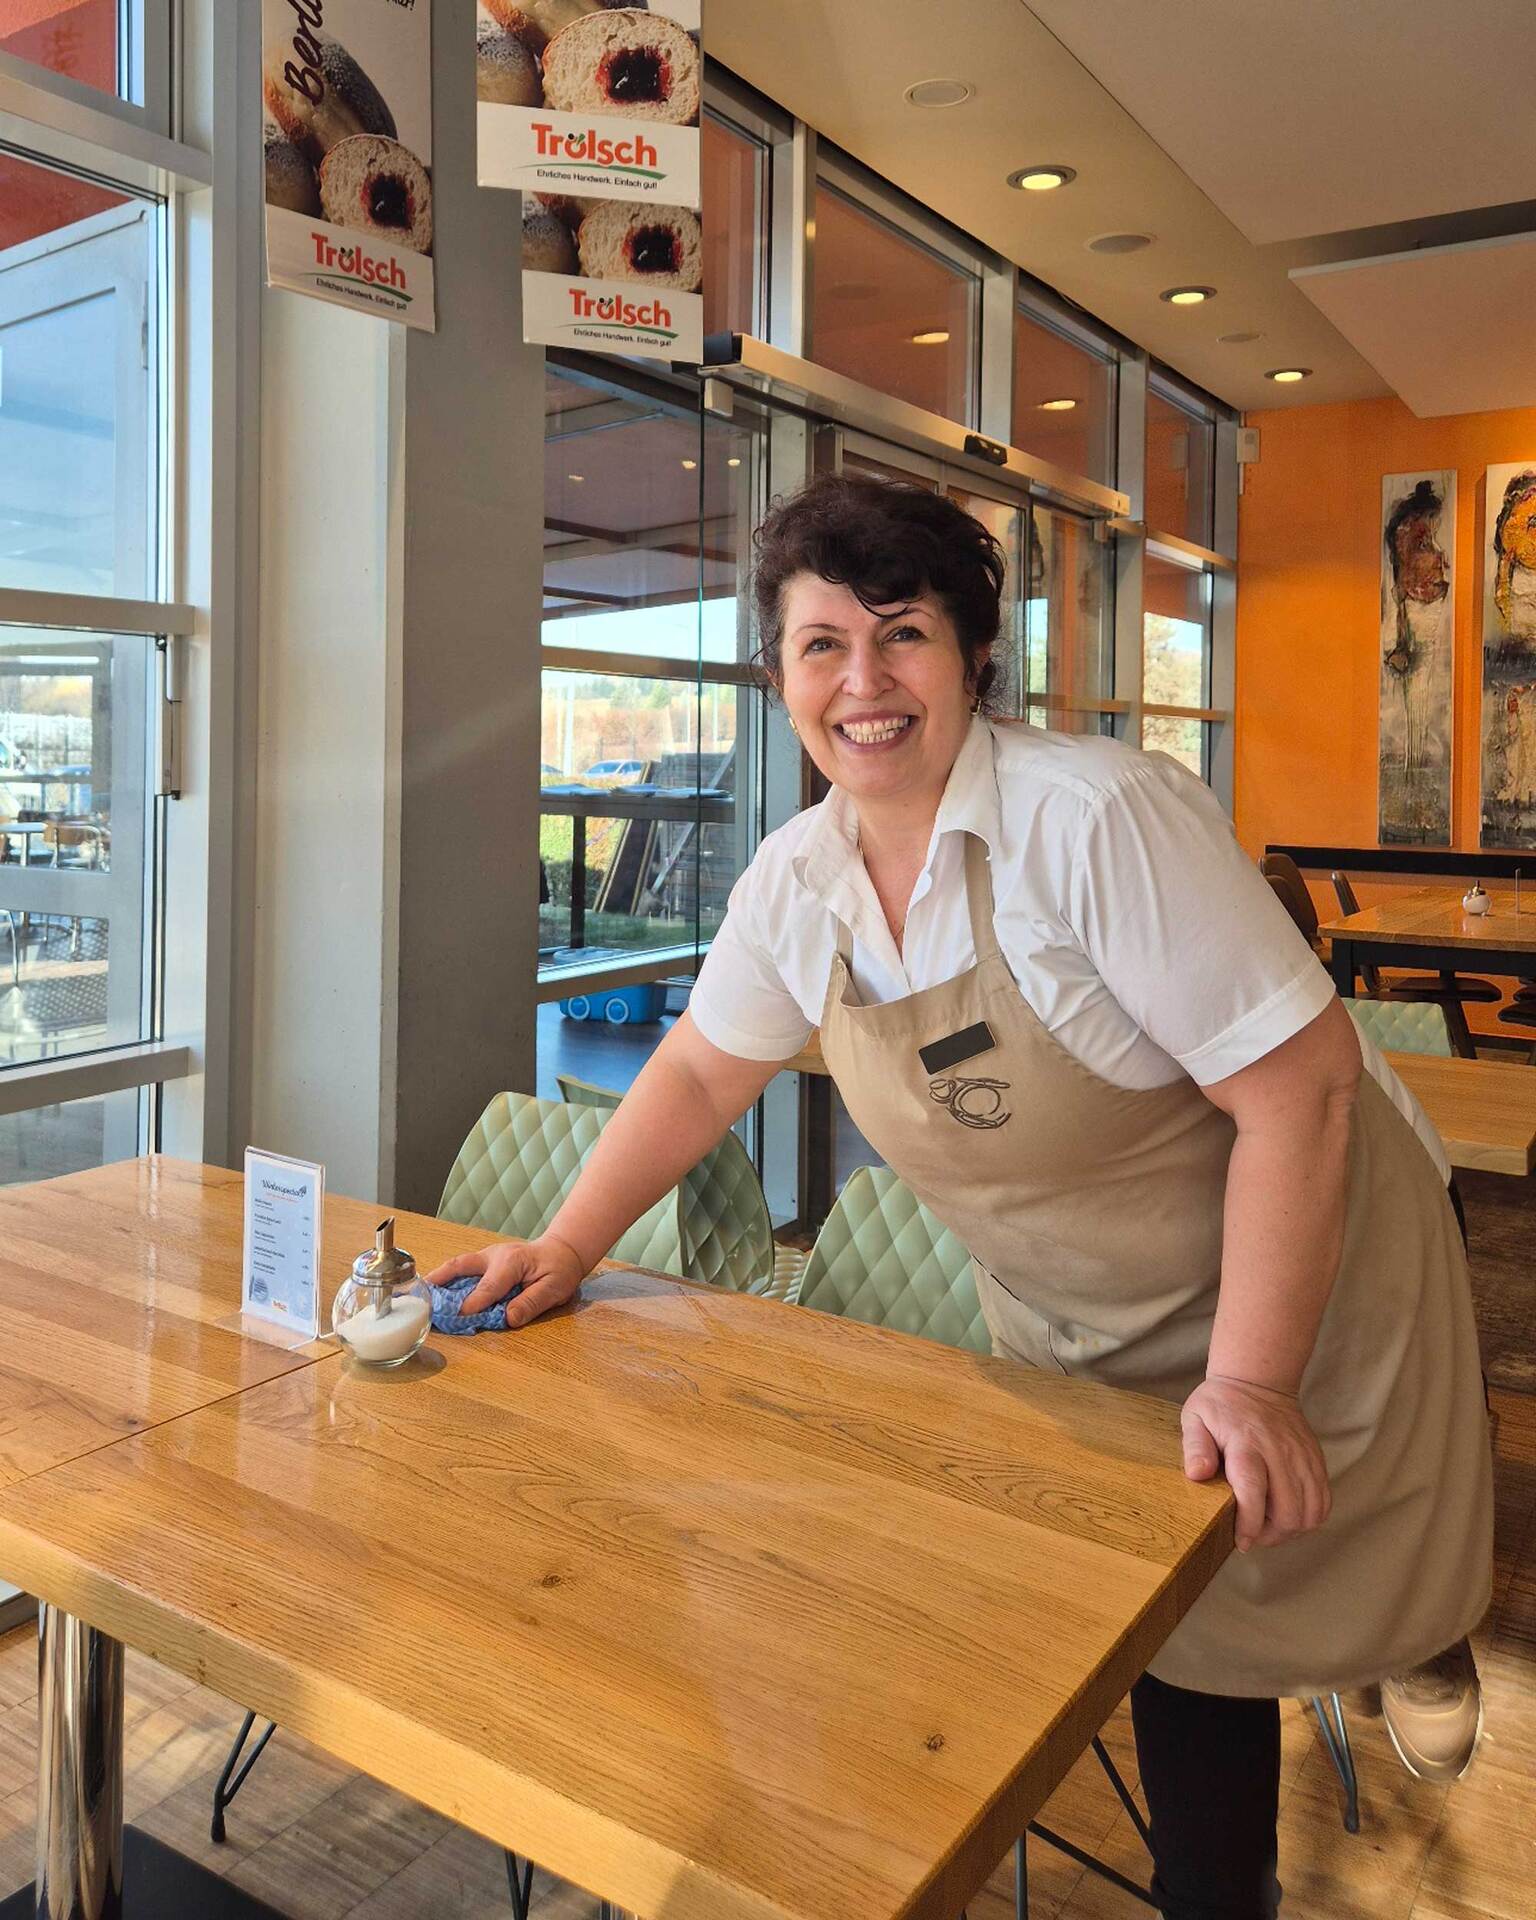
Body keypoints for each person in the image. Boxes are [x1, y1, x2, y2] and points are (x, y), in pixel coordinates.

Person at [430, 475, 1494, 1919]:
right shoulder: (799, 879)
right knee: (1184, 1651)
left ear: (975, 655)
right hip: (1081, 1322)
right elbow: (695, 1072)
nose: (863, 683)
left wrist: (1253, 1376)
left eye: (904, 634)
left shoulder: (1097, 819)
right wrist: (565, 1242)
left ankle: (1423, 1633)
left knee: (1367, 1554)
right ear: (780, 678)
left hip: (1318, 1270)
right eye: (821, 645)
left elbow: (1301, 1092)